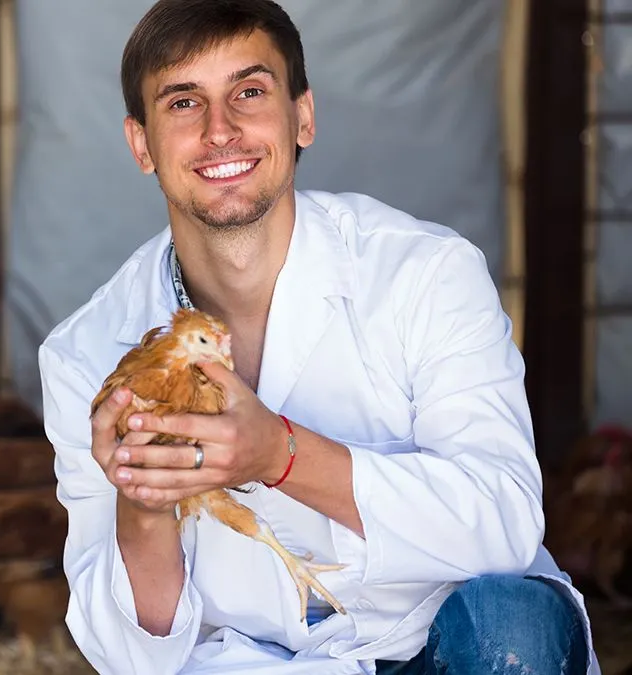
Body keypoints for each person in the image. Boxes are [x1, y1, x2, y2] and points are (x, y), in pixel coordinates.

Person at [36, 1, 598, 673]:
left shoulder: (423, 274)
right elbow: (130, 652)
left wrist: (282, 455)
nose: (222, 131)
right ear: (141, 145)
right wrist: (143, 497)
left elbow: (504, 522)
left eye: (249, 92)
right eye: (184, 103)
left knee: (518, 623)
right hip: (247, 665)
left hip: (433, 646)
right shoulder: (86, 355)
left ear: (302, 116)